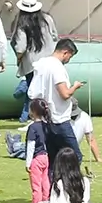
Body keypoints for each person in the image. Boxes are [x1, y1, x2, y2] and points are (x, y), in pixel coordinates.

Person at [30, 37, 84, 165]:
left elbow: (33, 92)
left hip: (44, 119)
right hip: (59, 119)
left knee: (53, 158)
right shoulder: (58, 68)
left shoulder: (41, 64)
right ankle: (70, 183)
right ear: (65, 52)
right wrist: (75, 86)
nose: (68, 61)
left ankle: (54, 183)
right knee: (75, 156)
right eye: (69, 57)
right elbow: (64, 94)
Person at [12, 0, 59, 91]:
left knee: (33, 95)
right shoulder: (47, 19)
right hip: (49, 62)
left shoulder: (22, 23)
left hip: (32, 65)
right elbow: (55, 36)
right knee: (48, 93)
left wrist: (19, 59)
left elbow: (21, 47)